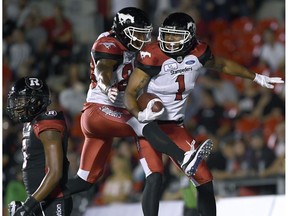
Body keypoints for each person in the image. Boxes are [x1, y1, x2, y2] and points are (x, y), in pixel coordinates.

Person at [124, 12, 284, 216]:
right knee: (155, 177)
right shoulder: (152, 54)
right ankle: (184, 158)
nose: (169, 40)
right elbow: (130, 92)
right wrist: (139, 114)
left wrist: (255, 77)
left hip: (176, 126)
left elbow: (223, 64)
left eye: (175, 36)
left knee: (205, 182)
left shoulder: (199, 52)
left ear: (189, 37)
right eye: (167, 35)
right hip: (150, 123)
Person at [64, 7, 211, 200]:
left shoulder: (136, 48)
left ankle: (33, 203)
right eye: (137, 33)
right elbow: (103, 70)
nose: (142, 38)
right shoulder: (109, 43)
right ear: (122, 30)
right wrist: (108, 87)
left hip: (113, 112)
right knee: (142, 124)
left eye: (144, 33)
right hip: (99, 109)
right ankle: (184, 159)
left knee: (85, 179)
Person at [6, 76, 73, 215]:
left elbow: (55, 173)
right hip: (40, 200)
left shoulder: (47, 125)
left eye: (21, 100)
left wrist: (27, 207)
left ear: (35, 101)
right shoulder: (32, 124)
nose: (17, 105)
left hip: (54, 201)